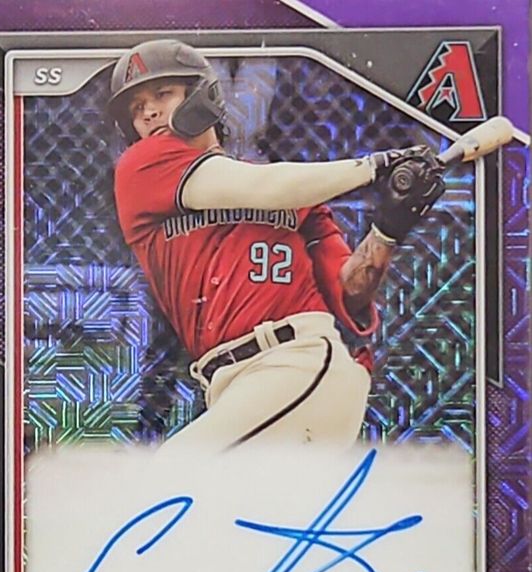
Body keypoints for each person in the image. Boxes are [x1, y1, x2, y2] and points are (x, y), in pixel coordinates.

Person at [109, 39, 444, 452]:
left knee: (170, 477)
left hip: (299, 362)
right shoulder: (142, 169)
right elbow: (262, 187)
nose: (149, 113)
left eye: (163, 94)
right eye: (137, 107)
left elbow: (349, 290)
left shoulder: (298, 194)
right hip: (238, 388)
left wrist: (388, 229)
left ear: (202, 94)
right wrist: (374, 166)